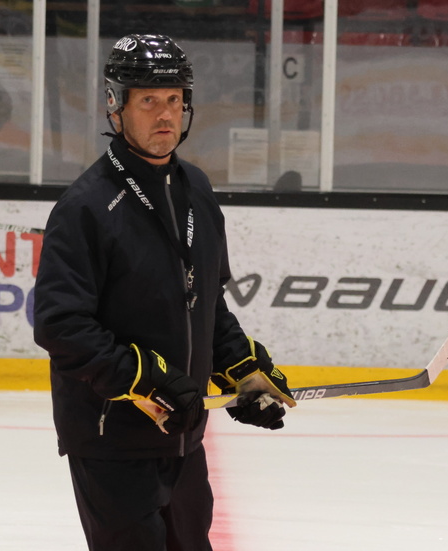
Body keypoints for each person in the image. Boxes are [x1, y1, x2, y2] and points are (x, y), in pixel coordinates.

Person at [33, 34, 296, 551]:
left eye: (174, 99)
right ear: (116, 105)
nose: (165, 115)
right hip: (112, 441)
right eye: (148, 100)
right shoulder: (86, 206)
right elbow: (60, 325)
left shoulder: (196, 189)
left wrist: (242, 369)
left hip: (183, 436)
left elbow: (205, 303)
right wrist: (146, 378)